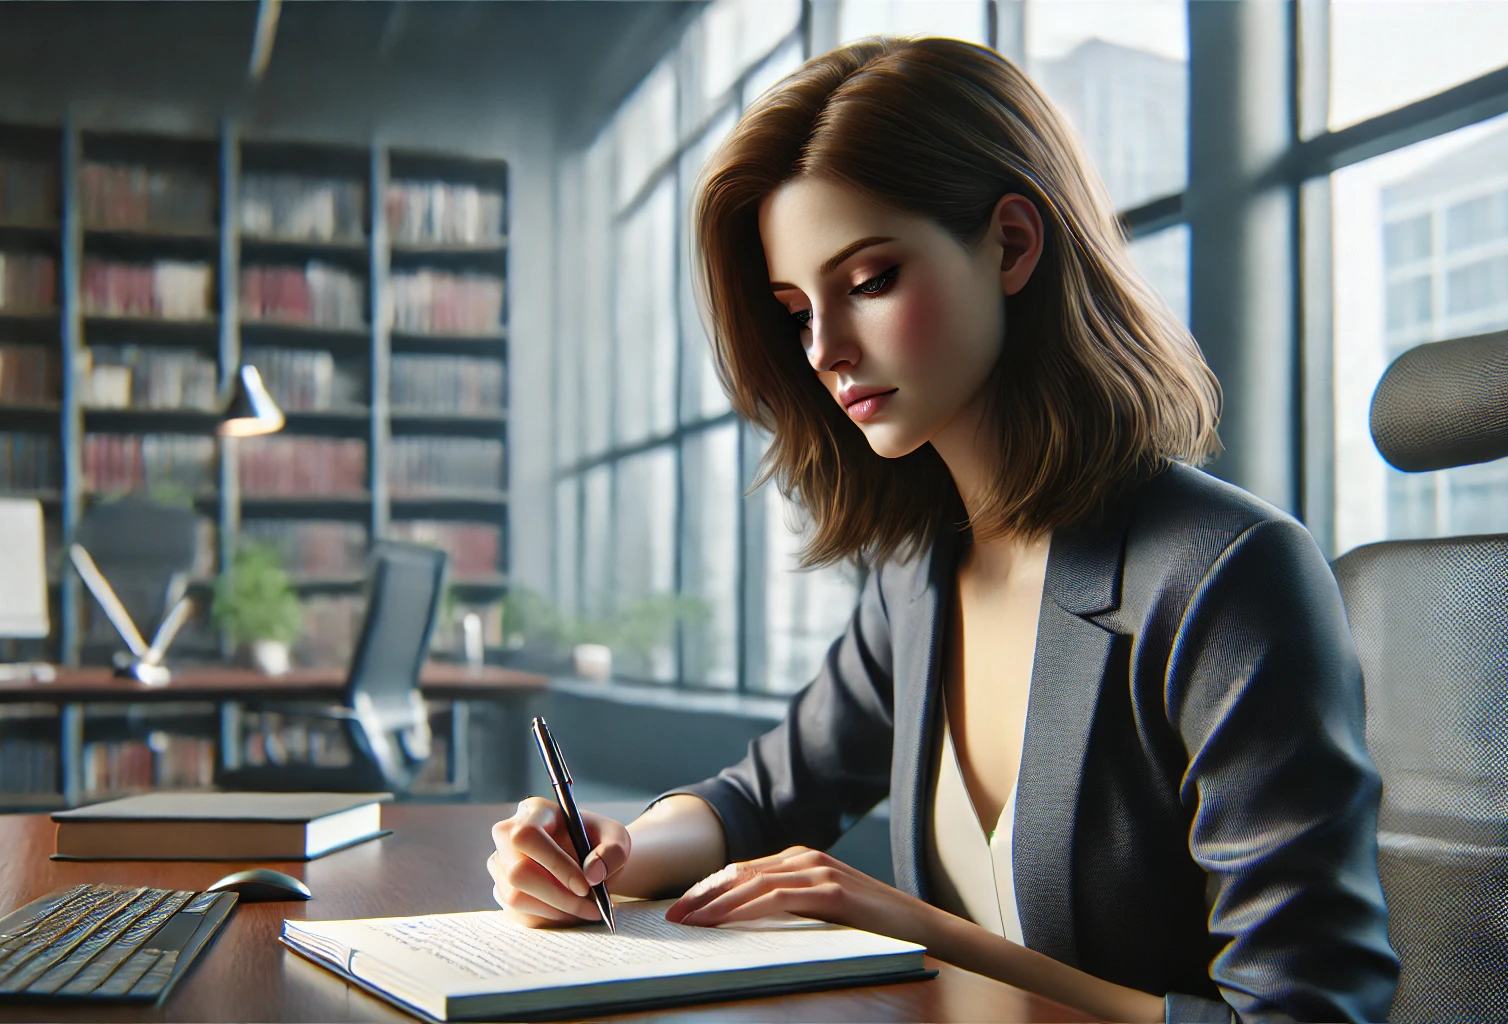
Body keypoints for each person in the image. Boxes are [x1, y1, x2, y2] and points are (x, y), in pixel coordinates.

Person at [488, 35, 1399, 1023]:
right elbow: (757, 798)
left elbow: (1302, 1017)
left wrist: (915, 927)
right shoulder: (918, 577)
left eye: (870, 281)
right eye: (797, 312)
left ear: (1010, 244)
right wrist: (610, 853)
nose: (826, 350)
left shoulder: (1225, 576)